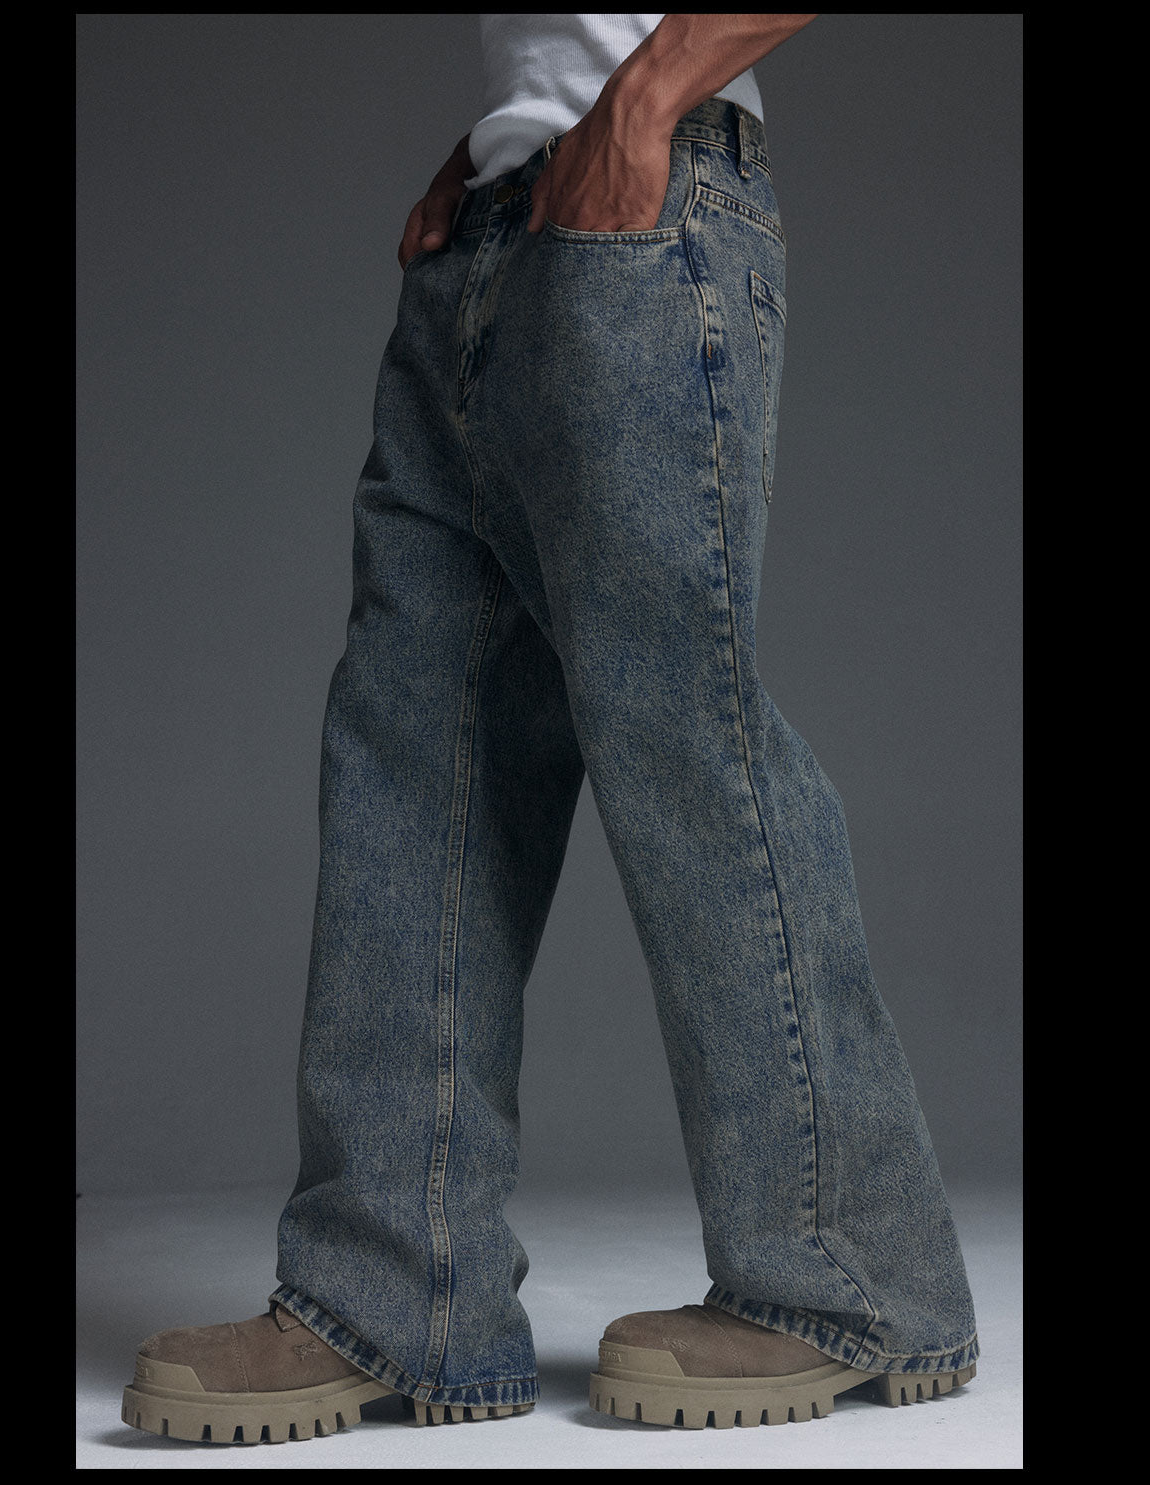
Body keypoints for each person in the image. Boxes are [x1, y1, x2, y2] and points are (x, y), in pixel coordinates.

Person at [121, 13, 979, 1442]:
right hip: (504, 225)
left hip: (643, 213)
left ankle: (854, 1275)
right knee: (410, 753)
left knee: (683, 739)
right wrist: (502, 147)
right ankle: (398, 1291)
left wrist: (640, 102)